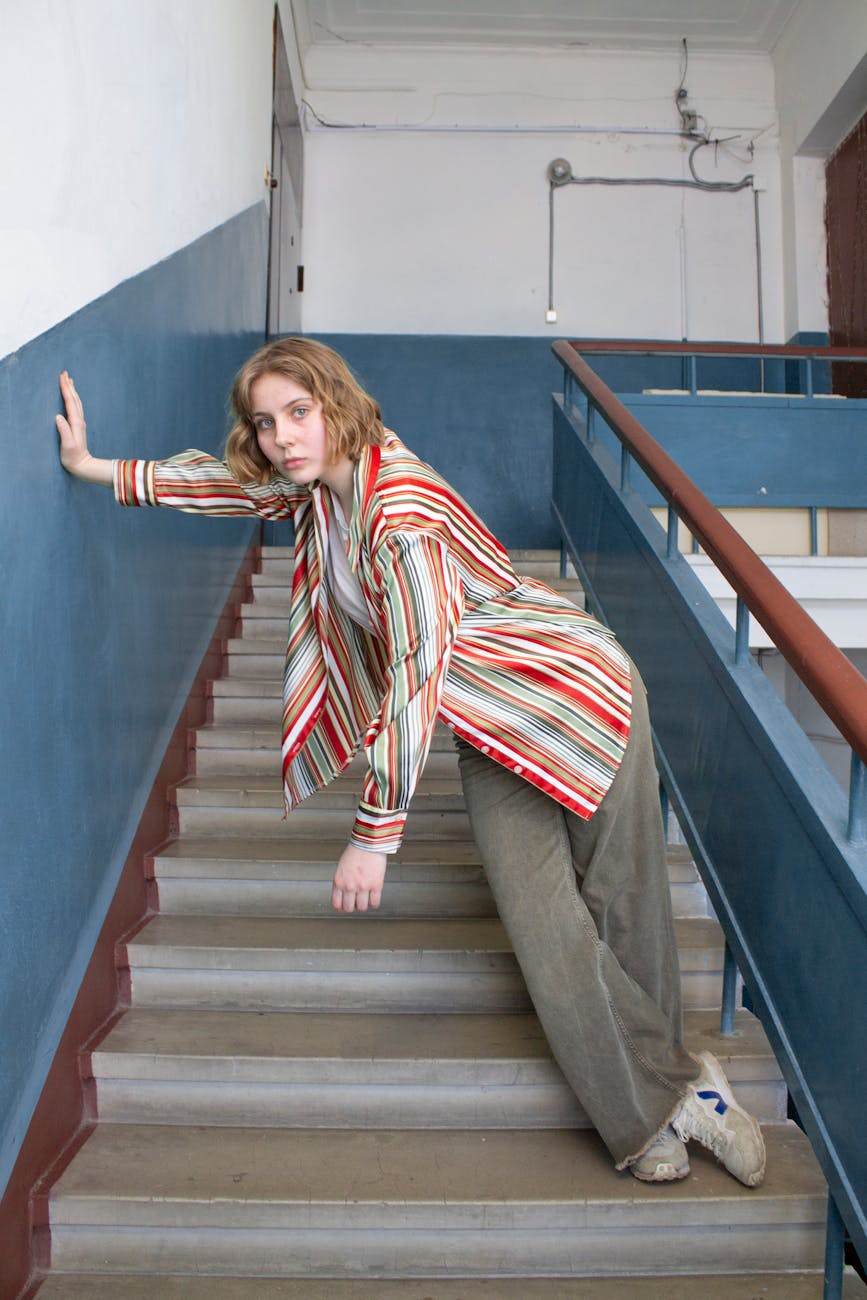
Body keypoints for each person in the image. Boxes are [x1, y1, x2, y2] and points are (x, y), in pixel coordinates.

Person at [55, 338, 765, 1187]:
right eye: (266, 421)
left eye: (299, 413)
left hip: (578, 692)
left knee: (623, 899)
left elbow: (416, 667)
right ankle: (669, 1096)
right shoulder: (323, 493)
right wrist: (94, 466)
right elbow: (226, 485)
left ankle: (668, 1098)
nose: (282, 438)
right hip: (495, 722)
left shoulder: (403, 519)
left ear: (336, 403)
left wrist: (375, 833)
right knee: (545, 925)